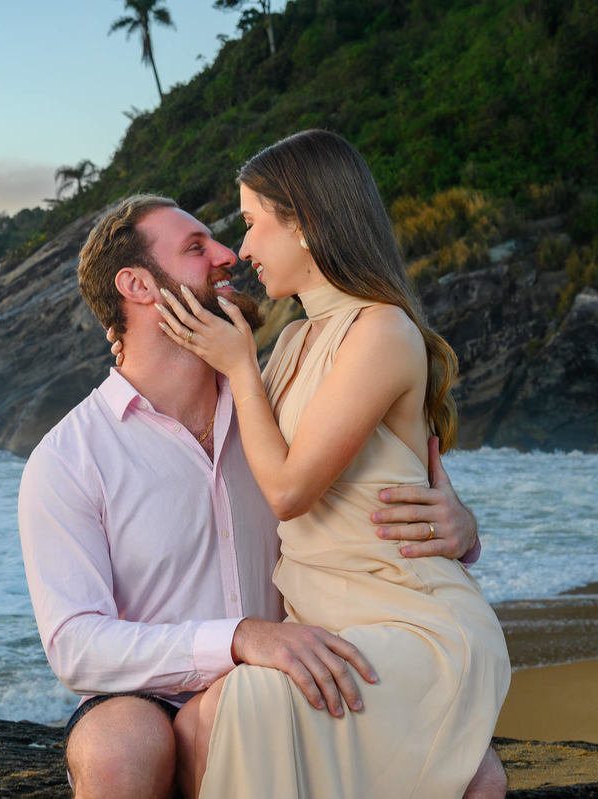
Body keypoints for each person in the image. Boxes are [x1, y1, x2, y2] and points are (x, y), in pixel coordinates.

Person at [18, 192, 505, 798]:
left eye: (224, 238)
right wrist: (238, 637)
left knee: (478, 777)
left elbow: (372, 500)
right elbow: (76, 646)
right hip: (153, 691)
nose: (229, 256)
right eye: (197, 249)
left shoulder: (276, 404)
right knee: (119, 750)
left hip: (295, 671)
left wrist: (461, 528)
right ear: (137, 286)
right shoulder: (69, 457)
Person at [153, 130, 510, 798]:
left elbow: (289, 490)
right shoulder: (289, 342)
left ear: (307, 224)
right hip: (323, 620)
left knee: (250, 703)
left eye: (256, 224)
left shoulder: (381, 330)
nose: (247, 247)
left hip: (408, 618)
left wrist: (237, 365)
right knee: (219, 715)